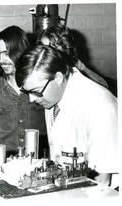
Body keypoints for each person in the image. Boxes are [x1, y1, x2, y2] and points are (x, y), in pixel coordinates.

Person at [15, 44, 118, 186]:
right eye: (27, 92)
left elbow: (101, 181)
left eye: (36, 91)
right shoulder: (53, 97)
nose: (32, 99)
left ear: (57, 77)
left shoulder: (100, 105)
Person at [0, 26, 48, 165]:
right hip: (6, 166)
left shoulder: (42, 86)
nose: (1, 60)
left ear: (22, 52)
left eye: (7, 53)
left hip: (41, 164)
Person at [39, 21, 108, 88]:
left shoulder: (74, 66)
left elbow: (104, 85)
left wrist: (84, 70)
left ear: (64, 48)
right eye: (43, 48)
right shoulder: (40, 64)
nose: (46, 53)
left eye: (52, 48)